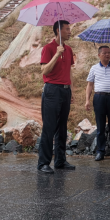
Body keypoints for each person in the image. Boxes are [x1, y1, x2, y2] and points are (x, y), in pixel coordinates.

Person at [37, 20, 75, 174]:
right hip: (52, 90)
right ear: (58, 30)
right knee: (49, 127)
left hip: (65, 90)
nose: (70, 32)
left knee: (62, 127)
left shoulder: (69, 49)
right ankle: (43, 163)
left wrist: (71, 90)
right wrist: (57, 54)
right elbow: (44, 70)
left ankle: (60, 161)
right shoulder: (48, 48)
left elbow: (69, 71)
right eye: (67, 29)